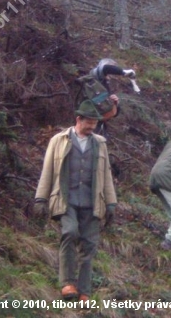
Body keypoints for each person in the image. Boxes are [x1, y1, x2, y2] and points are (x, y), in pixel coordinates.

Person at [33, 100, 117, 302]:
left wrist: (111, 202)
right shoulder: (58, 140)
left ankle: (85, 291)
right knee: (69, 233)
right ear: (78, 119)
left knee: (89, 246)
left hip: (92, 201)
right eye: (89, 122)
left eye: (95, 123)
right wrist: (41, 198)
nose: (92, 126)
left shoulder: (100, 144)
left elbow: (106, 174)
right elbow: (48, 171)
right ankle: (67, 283)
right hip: (65, 199)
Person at [89, 58, 137, 137]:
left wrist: (115, 103)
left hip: (99, 125)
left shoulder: (105, 86)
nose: (111, 75)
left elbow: (113, 113)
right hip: (88, 120)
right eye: (111, 71)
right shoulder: (93, 76)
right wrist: (124, 72)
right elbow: (105, 68)